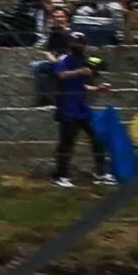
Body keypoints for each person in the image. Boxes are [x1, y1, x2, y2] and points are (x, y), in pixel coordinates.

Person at [47, 32, 112, 188]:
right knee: (67, 142)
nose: (78, 46)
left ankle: (101, 173)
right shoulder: (64, 60)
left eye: (81, 43)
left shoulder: (84, 60)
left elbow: (81, 85)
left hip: (82, 107)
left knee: (97, 138)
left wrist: (97, 88)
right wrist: (79, 72)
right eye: (75, 43)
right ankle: (60, 176)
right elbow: (61, 75)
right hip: (66, 107)